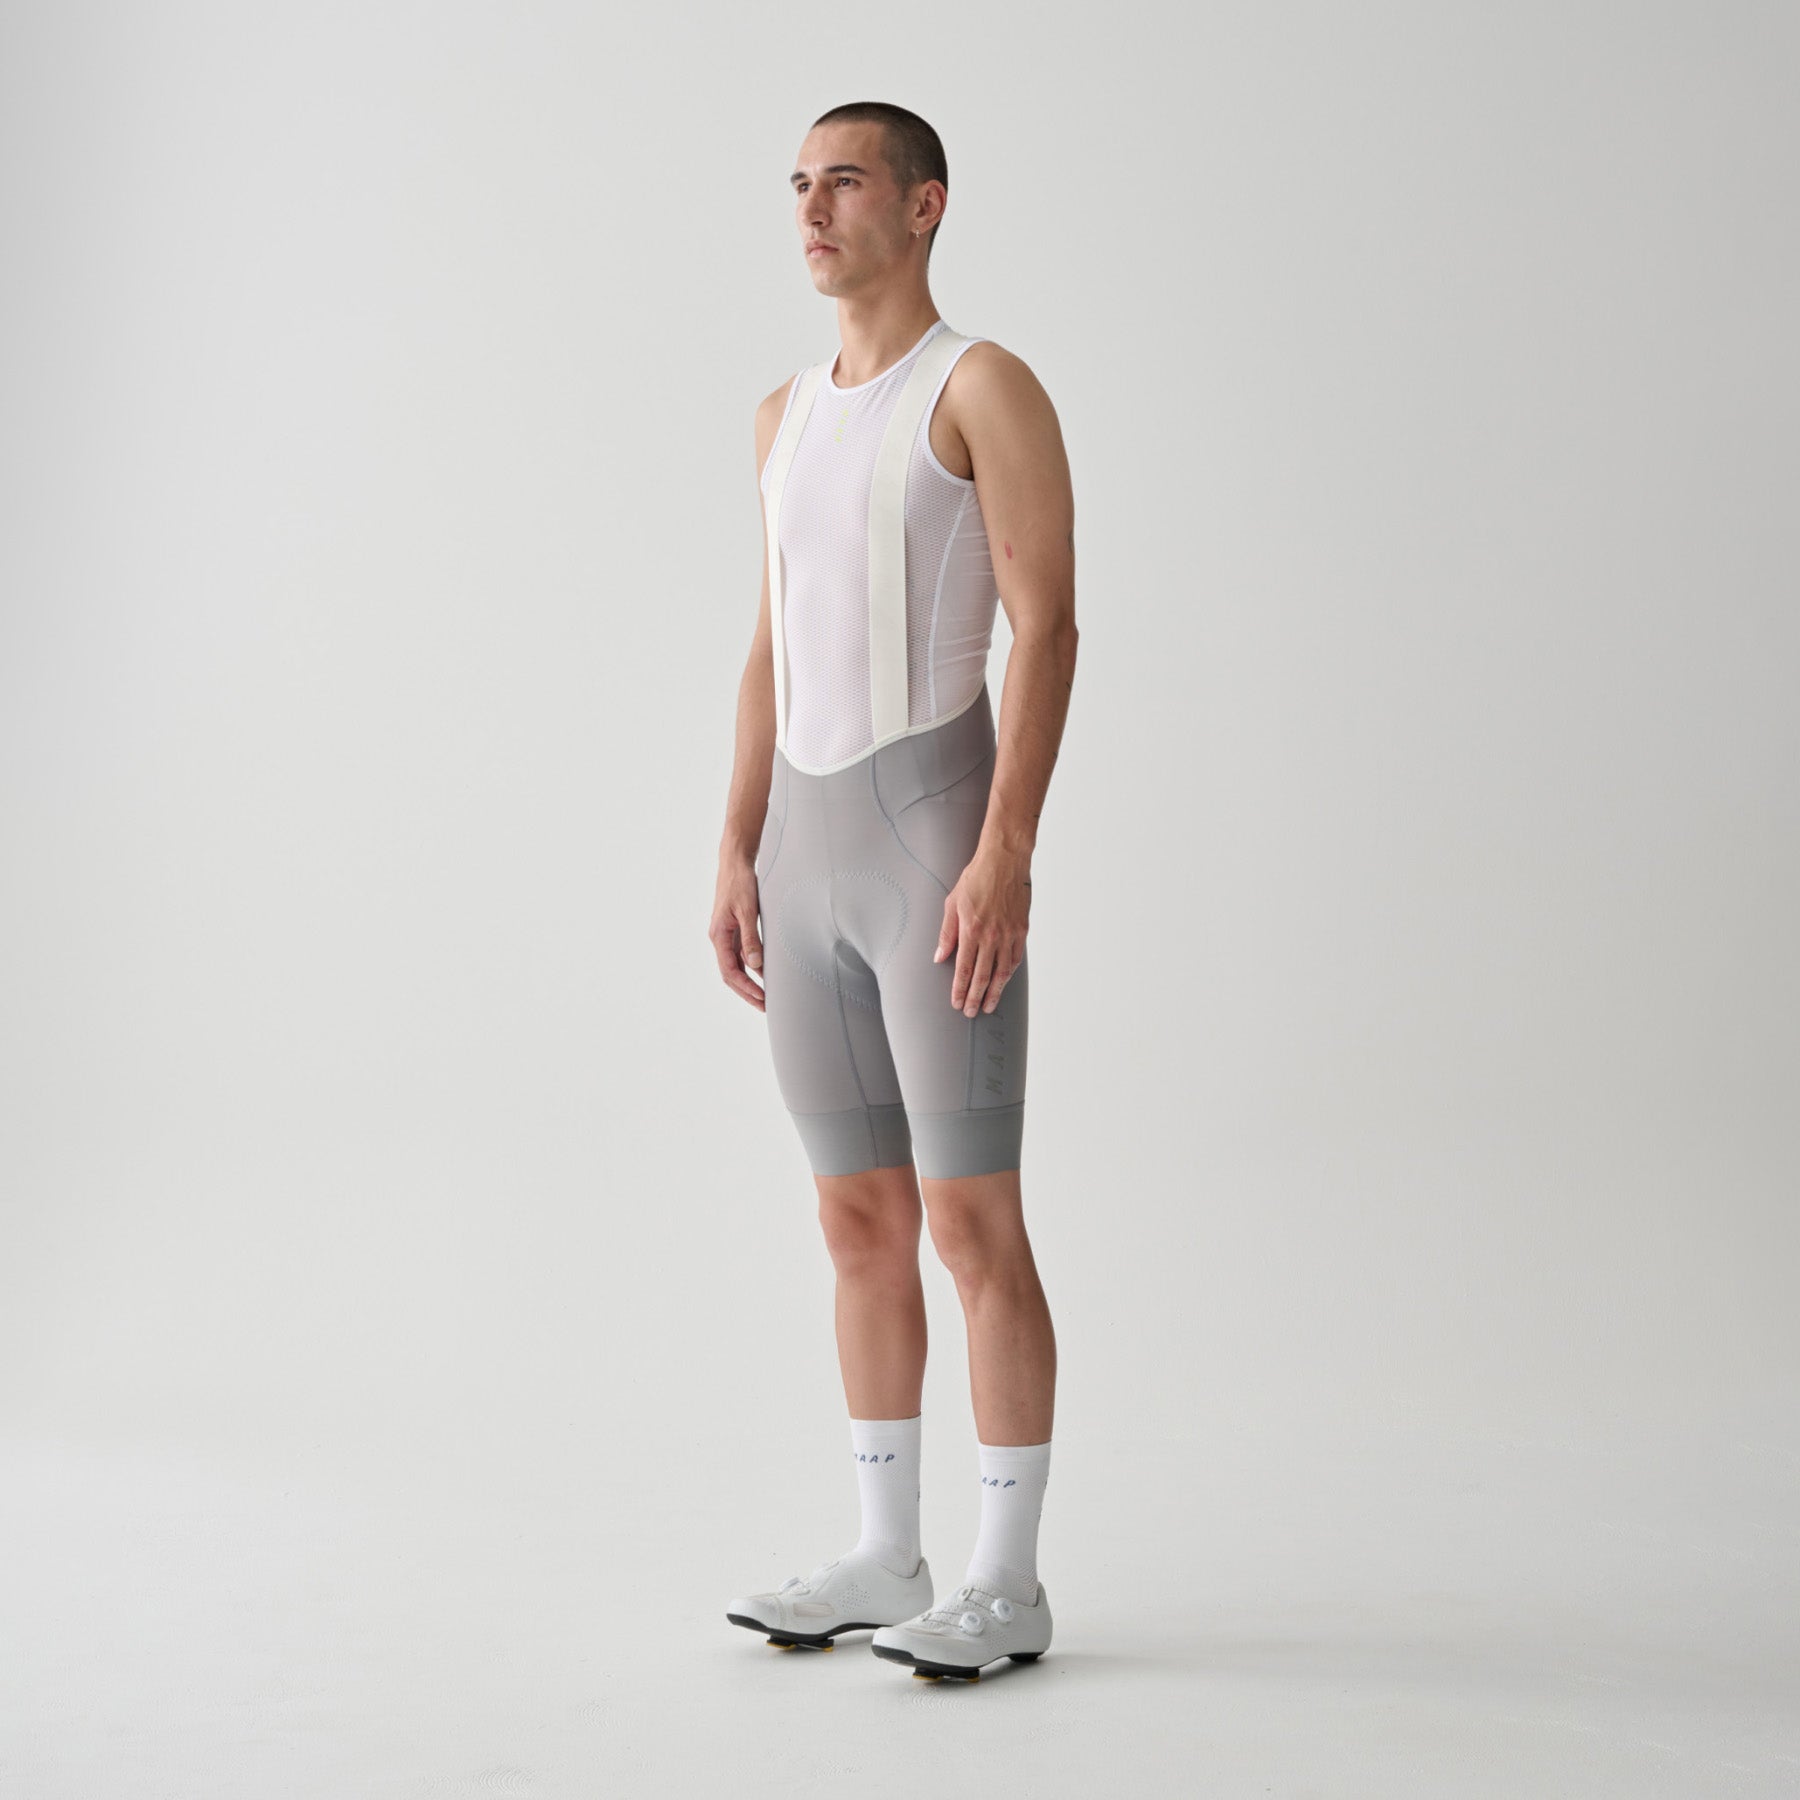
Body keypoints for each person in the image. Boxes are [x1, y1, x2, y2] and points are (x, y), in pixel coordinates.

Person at [709, 100, 1078, 1682]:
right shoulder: (781, 413)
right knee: (855, 1218)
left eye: (844, 181)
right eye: (799, 184)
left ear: (924, 205)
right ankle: (884, 1553)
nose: (812, 208)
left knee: (970, 1219)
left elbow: (1049, 627)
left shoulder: (981, 385)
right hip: (804, 864)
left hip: (935, 854)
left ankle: (1008, 1582)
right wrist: (735, 843)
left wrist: (1006, 850)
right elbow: (774, 641)